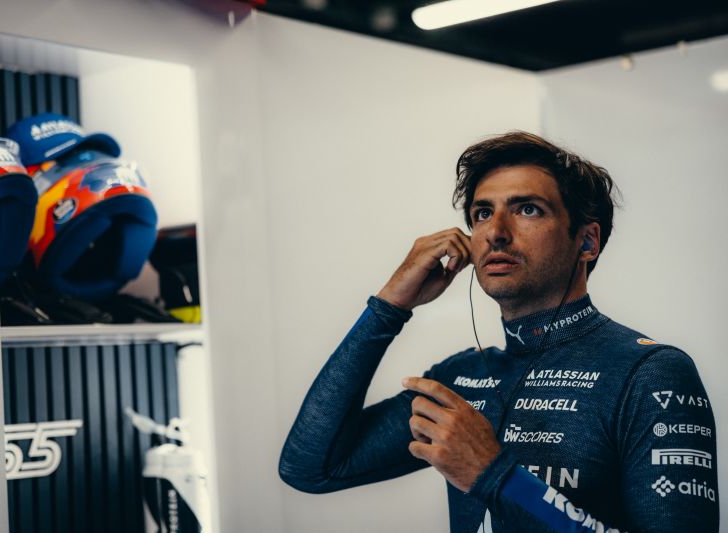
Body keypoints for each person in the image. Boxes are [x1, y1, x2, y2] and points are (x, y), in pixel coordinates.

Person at [278, 132, 719, 532]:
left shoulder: (651, 373)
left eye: (528, 209)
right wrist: (388, 307)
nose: (496, 233)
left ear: (587, 241)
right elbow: (310, 467)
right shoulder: (461, 378)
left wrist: (495, 476)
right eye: (483, 213)